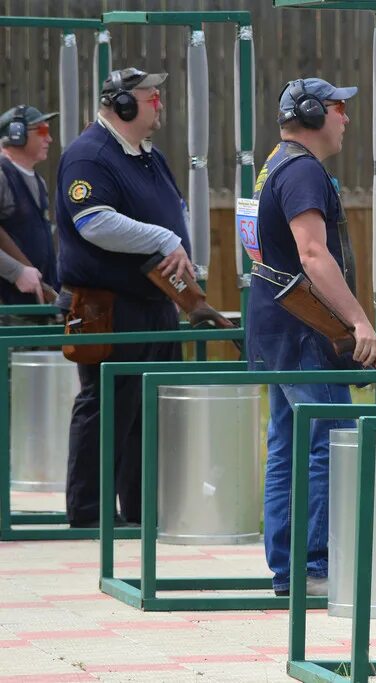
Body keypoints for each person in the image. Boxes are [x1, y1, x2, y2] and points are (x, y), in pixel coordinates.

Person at [244, 77, 376, 597]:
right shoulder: (302, 170)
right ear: (310, 112)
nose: (346, 117)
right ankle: (315, 568)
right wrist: (358, 323)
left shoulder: (275, 163)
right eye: (338, 107)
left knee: (288, 444)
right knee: (328, 442)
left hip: (277, 326)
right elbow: (313, 255)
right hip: (304, 330)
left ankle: (289, 570)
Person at [55, 67, 194, 528]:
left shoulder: (146, 156)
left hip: (153, 302)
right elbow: (94, 221)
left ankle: (140, 509)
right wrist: (165, 239)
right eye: (151, 97)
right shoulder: (88, 156)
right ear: (124, 104)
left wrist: (182, 268)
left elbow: (174, 211)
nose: (159, 103)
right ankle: (91, 512)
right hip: (110, 306)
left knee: (148, 409)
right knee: (109, 406)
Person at [0, 104, 59, 304]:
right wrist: (16, 271)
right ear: (17, 134)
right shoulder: (2, 176)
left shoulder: (38, 181)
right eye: (42, 131)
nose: (49, 139)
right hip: (8, 313)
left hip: (34, 306)